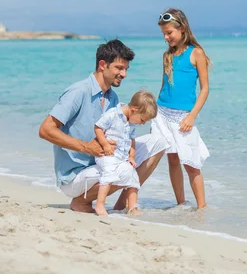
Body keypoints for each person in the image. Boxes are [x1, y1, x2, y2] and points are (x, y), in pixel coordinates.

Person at [39, 39, 168, 213]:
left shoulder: (112, 98)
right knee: (119, 170)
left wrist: (130, 152)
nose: (124, 74)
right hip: (75, 176)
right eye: (119, 68)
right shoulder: (79, 92)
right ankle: (81, 202)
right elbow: (45, 130)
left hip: (102, 164)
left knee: (159, 142)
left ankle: (124, 206)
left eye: (126, 69)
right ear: (102, 65)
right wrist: (86, 147)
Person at [153, 8, 211, 209]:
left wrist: (192, 116)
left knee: (191, 163)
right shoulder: (166, 56)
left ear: (182, 29)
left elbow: (205, 89)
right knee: (172, 161)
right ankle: (181, 203)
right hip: (162, 113)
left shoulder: (196, 53)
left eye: (169, 33)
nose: (166, 37)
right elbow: (164, 86)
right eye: (164, 34)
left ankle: (202, 208)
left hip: (183, 117)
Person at [94, 90, 157, 216]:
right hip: (107, 155)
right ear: (134, 110)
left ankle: (132, 207)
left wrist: (132, 156)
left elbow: (132, 140)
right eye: (143, 120)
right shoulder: (113, 114)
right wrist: (105, 144)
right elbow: (98, 128)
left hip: (122, 157)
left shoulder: (131, 122)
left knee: (132, 175)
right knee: (109, 173)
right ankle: (99, 204)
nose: (143, 123)